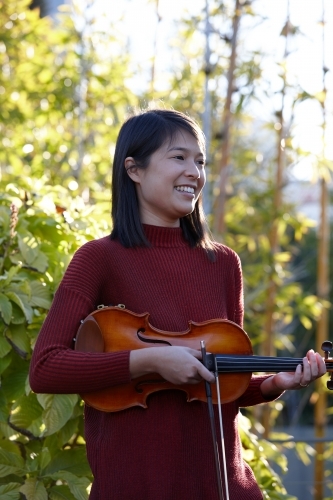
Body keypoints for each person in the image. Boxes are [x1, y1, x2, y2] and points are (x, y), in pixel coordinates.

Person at [29, 109, 326, 500]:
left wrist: (273, 384)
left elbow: (221, 387)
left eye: (200, 161)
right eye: (179, 157)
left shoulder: (223, 264)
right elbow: (46, 368)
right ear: (134, 169)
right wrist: (149, 361)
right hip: (136, 487)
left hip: (221, 484)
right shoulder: (99, 258)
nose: (195, 172)